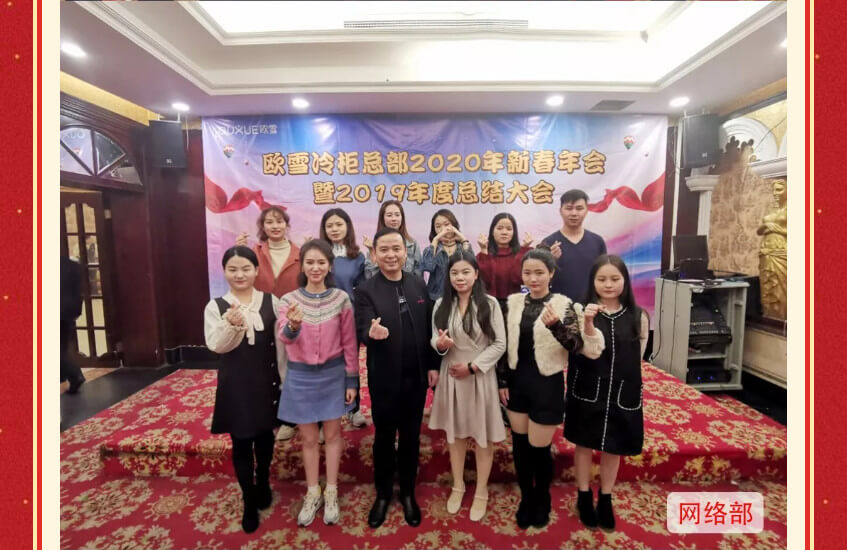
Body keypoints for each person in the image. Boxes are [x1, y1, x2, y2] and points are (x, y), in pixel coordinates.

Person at [497, 248, 605, 529]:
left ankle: (542, 498)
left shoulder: (563, 304)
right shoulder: (513, 302)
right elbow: (503, 345)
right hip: (517, 384)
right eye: (527, 273)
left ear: (551, 274)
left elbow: (577, 346)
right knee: (520, 446)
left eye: (539, 273)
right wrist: (502, 381)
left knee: (539, 448)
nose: (533, 278)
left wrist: (556, 326)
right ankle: (526, 498)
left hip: (546, 384)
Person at [354, 228, 439, 528]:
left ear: (405, 252)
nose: (391, 255)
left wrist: (433, 365)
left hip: (415, 379)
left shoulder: (417, 283)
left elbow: (429, 329)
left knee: (411, 437)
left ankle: (407, 493)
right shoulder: (366, 290)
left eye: (396, 249)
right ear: (374, 254)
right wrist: (371, 332)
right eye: (384, 250)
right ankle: (382, 494)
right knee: (384, 437)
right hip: (385, 379)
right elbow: (362, 327)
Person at [276, 239, 359, 527]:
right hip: (300, 377)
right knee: (309, 439)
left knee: (333, 435)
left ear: (330, 266)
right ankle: (313, 492)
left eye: (321, 262)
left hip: (333, 375)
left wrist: (352, 380)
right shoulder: (288, 301)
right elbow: (284, 338)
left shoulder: (341, 299)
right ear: (302, 266)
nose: (315, 267)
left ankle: (331, 490)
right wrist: (294, 325)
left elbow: (350, 343)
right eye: (310, 262)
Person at [564, 255, 648, 531]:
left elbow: (639, 355)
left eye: (615, 279)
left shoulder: (637, 316)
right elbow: (574, 348)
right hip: (587, 389)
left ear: (625, 281)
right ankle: (583, 495)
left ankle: (606, 497)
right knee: (584, 443)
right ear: (593, 281)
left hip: (623, 392)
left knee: (615, 446)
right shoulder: (580, 312)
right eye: (602, 279)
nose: (608, 284)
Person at [204, 246, 281, 533]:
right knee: (241, 441)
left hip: (266, 381)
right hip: (235, 384)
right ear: (224, 272)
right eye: (233, 269)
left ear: (256, 271)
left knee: (265, 436)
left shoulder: (271, 301)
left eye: (246, 268)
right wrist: (232, 325)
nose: (240, 274)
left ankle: (263, 481)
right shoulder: (216, 306)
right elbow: (216, 346)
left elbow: (283, 342)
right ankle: (248, 499)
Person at [429, 250, 506, 522]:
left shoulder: (490, 304)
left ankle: (482, 490)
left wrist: (473, 366)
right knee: (456, 435)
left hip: (479, 375)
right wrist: (440, 344)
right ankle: (458, 485)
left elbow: (500, 344)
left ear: (476, 274)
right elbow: (434, 339)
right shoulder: (441, 304)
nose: (459, 277)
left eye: (465, 272)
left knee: (482, 436)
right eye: (454, 273)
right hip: (452, 375)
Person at [236, 206, 301, 441]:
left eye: (279, 221)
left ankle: (290, 419)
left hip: (291, 318)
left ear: (286, 225)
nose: (275, 226)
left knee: (288, 368)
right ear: (263, 226)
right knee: (264, 367)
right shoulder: (253, 252)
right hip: (261, 315)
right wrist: (240, 253)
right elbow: (240, 277)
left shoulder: (299, 253)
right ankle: (270, 415)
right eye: (269, 222)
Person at [319, 208, 368, 429]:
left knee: (351, 362)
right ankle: (326, 413)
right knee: (325, 364)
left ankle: (353, 409)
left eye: (339, 224)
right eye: (330, 225)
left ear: (348, 227)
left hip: (349, 317)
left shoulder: (357, 257)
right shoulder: (318, 254)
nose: (334, 229)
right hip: (322, 316)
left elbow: (362, 289)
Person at [541, 189, 607, 301]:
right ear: (560, 211)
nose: (574, 213)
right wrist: (551, 261)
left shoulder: (597, 241)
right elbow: (540, 280)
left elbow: (604, 276)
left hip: (591, 306)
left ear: (587, 210)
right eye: (569, 208)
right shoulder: (548, 242)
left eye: (579, 208)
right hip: (558, 306)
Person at [476, 212, 533, 306]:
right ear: (492, 232)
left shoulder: (523, 253)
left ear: (514, 232)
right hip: (490, 304)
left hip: (516, 304)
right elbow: (485, 281)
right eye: (499, 228)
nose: (504, 232)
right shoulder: (483, 255)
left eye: (509, 229)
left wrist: (523, 249)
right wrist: (484, 250)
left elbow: (519, 278)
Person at [420, 209, 473, 300]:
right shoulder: (431, 249)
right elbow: (428, 267)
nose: (443, 229)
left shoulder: (462, 247)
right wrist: (435, 240)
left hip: (460, 297)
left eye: (447, 224)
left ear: (454, 225)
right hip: (436, 298)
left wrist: (463, 239)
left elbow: (471, 267)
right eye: (438, 226)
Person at [364, 200, 422, 278]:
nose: (394, 219)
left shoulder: (412, 244)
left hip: (408, 285)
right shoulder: (374, 245)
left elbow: (418, 274)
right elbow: (369, 277)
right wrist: (372, 252)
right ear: (383, 218)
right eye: (389, 215)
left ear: (402, 218)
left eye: (397, 215)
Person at [60, 256, 85, 393]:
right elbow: (78, 289)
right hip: (70, 309)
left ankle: (75, 374)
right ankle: (62, 375)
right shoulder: (72, 265)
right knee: (62, 344)